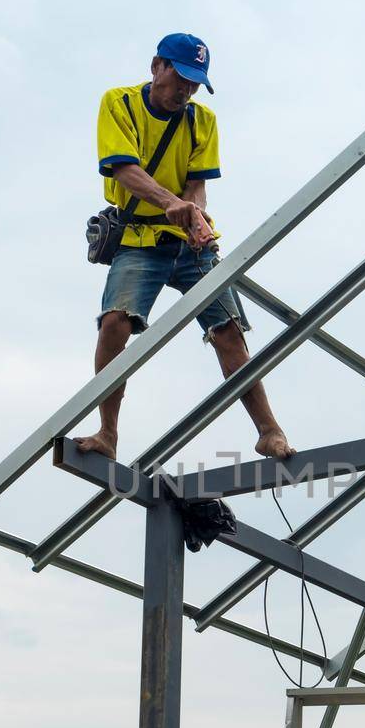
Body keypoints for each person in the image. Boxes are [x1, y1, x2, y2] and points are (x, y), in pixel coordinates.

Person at [75, 33, 295, 461]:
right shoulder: (119, 104)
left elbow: (197, 185)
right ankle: (108, 432)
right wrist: (173, 204)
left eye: (194, 84)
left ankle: (269, 430)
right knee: (115, 323)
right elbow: (123, 169)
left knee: (229, 332)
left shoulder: (202, 120)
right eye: (180, 79)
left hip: (189, 247)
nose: (185, 91)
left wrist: (194, 214)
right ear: (157, 66)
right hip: (140, 238)